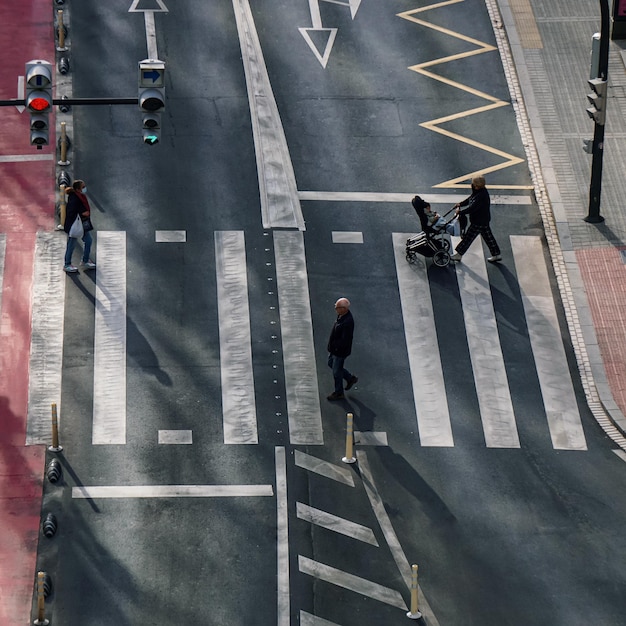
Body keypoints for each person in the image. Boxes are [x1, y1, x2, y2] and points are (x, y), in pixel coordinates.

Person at [450, 175, 501, 263]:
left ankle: (459, 254)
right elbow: (470, 199)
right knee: (488, 237)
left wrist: (461, 212)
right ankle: (496, 254)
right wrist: (460, 204)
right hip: (483, 220)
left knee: (468, 238)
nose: (473, 186)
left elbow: (472, 208)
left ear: (478, 186)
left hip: (479, 221)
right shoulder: (479, 192)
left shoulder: (481, 196)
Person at [327, 297, 358, 401]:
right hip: (334, 349)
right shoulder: (342, 316)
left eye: (337, 307)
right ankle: (349, 378)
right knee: (331, 363)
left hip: (339, 352)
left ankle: (339, 392)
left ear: (344, 309)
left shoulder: (347, 322)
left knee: (336, 371)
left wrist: (335, 348)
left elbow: (345, 340)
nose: (336, 309)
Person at [63, 180, 96, 273]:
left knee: (88, 241)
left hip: (82, 224)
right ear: (78, 189)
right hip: (75, 226)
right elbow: (71, 212)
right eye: (83, 187)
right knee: (71, 244)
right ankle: (67, 264)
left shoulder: (80, 196)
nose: (85, 188)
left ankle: (85, 260)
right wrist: (82, 213)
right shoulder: (74, 198)